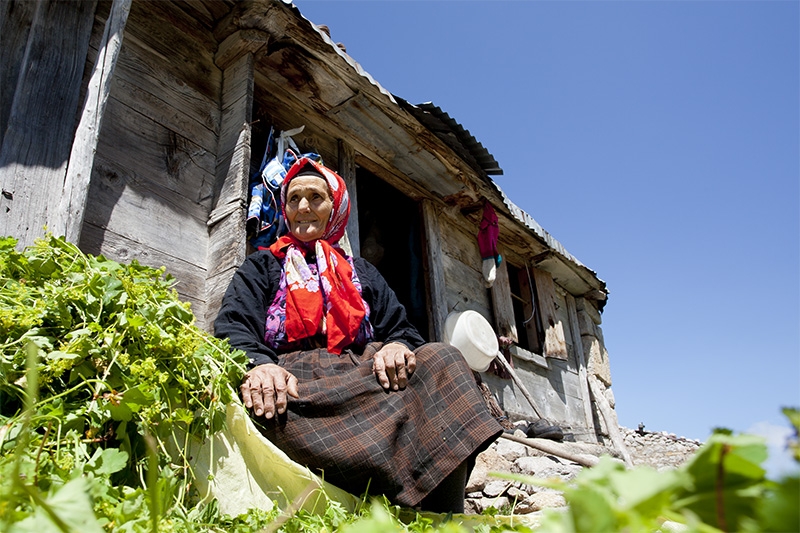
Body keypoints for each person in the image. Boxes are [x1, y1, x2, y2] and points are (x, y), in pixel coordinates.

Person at [214, 157, 503, 513]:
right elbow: (233, 326)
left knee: (444, 358)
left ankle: (445, 511)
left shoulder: (360, 271)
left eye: (315, 198)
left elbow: (402, 329)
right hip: (298, 387)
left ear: (334, 208)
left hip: (360, 378)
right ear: (285, 208)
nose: (303, 207)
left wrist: (396, 346)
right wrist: (259, 366)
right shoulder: (261, 266)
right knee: (269, 407)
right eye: (294, 199)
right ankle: (382, 487)